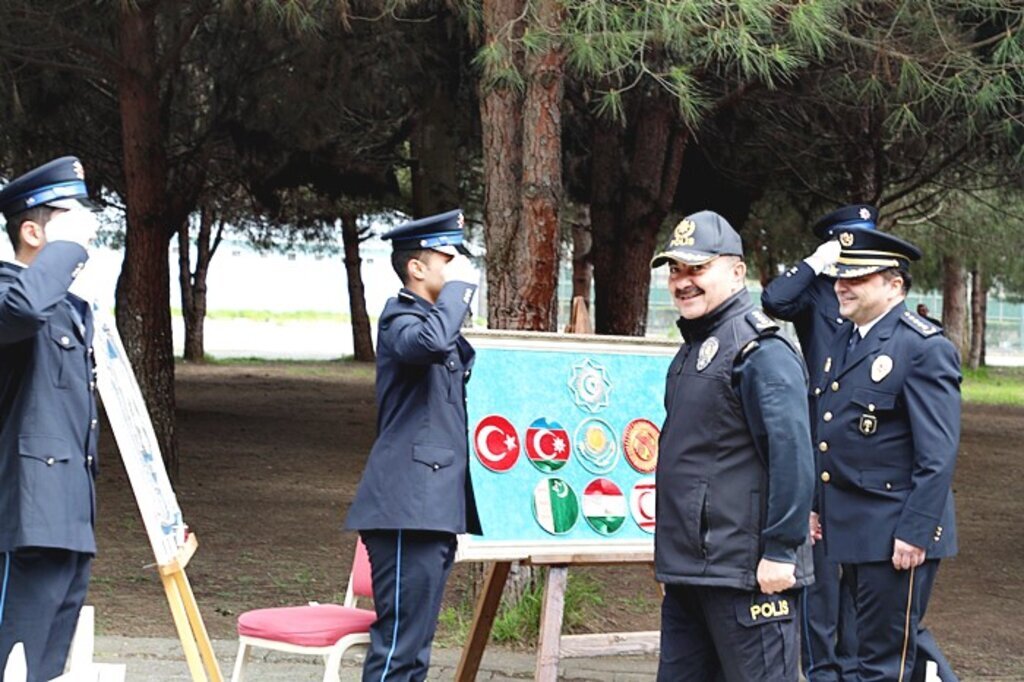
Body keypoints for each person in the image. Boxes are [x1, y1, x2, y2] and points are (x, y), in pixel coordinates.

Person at [651, 210, 815, 681]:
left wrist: (781, 550)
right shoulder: (695, 347)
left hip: (749, 576)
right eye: (675, 270)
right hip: (693, 572)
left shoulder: (760, 351)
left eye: (698, 268)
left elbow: (792, 458)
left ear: (737, 272)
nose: (683, 281)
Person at [813, 228, 960, 681]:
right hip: (852, 525)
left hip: (895, 532)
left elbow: (937, 454)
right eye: (840, 277)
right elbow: (830, 435)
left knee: (884, 663)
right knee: (857, 655)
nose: (842, 286)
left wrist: (915, 532)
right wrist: (817, 507)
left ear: (894, 285)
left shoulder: (922, 348)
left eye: (857, 278)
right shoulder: (846, 337)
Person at [344, 208, 481, 682]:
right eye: (449, 258)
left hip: (432, 507)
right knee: (399, 650)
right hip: (407, 508)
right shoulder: (400, 317)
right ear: (417, 268)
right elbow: (429, 344)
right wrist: (460, 291)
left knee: (416, 649)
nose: (459, 267)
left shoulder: (435, 324)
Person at [761, 205, 877, 681]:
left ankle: (852, 668)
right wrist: (817, 261)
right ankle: (822, 671)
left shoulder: (875, 294)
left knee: (861, 578)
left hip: (865, 445)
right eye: (847, 247)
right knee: (822, 576)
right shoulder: (816, 291)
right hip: (821, 437)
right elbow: (774, 300)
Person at [0, 156, 101, 681]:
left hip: (67, 517)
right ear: (33, 231)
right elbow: (21, 311)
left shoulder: (69, 307)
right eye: (69, 218)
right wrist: (67, 249)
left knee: (43, 670)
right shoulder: (11, 294)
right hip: (22, 519)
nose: (86, 231)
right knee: (10, 663)